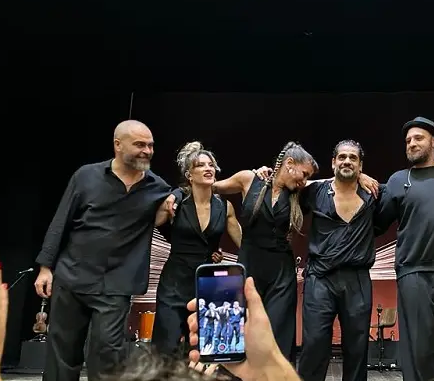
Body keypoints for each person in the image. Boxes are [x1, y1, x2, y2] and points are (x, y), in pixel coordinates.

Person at [33, 120, 177, 381]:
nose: (147, 151)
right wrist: (45, 267)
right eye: (140, 144)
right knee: (63, 353)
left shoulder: (158, 188)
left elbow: (168, 222)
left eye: (151, 145)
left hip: (116, 283)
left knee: (108, 354)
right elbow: (60, 221)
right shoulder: (86, 176)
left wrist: (170, 206)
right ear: (118, 145)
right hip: (73, 275)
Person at [210, 141, 320, 362]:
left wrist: (361, 177)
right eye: (304, 174)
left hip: (281, 272)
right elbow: (211, 188)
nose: (304, 180)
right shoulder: (249, 179)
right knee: (240, 329)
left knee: (278, 332)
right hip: (248, 265)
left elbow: (333, 183)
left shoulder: (299, 193)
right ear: (289, 163)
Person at [375, 116, 434, 381]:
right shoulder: (398, 180)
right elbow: (377, 224)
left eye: (418, 138)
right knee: (418, 349)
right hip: (414, 272)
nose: (411, 144)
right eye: (407, 141)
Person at [296, 139, 384, 381]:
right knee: (314, 344)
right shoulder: (314, 191)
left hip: (357, 280)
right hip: (320, 279)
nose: (347, 161)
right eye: (342, 157)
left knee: (357, 349)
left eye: (353, 158)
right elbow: (288, 185)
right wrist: (259, 172)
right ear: (333, 162)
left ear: (360, 165)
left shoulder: (375, 194)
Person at [152, 141, 242, 356]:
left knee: (201, 351)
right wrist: (175, 194)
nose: (208, 168)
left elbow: (243, 243)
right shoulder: (176, 203)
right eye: (201, 165)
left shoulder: (225, 207)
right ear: (189, 175)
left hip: (207, 285)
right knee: (166, 347)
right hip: (174, 283)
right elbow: (152, 222)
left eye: (211, 165)